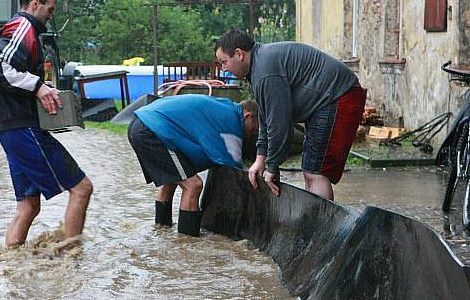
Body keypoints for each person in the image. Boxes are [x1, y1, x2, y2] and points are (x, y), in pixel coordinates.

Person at [0, 0, 93, 247]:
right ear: (35, 4)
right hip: (22, 129)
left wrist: (42, 89)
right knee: (82, 189)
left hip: (12, 130)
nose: (51, 15)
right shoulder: (23, 27)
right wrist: (39, 87)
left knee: (28, 207)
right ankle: (72, 263)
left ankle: (13, 266)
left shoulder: (27, 30)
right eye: (50, 9)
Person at [215, 28, 366, 201]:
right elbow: (266, 117)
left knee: (315, 172)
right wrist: (261, 158)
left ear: (239, 54)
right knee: (311, 170)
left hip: (339, 96)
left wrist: (272, 166)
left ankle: (320, 224)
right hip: (328, 100)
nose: (224, 69)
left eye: (224, 62)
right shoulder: (259, 67)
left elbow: (280, 124)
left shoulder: (265, 71)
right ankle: (315, 222)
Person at [128, 94, 259, 236]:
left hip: (140, 123)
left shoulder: (226, 107)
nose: (254, 133)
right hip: (152, 129)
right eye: (255, 128)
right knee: (193, 185)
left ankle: (161, 231)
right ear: (248, 116)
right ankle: (187, 245)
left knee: (171, 180)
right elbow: (231, 164)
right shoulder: (233, 119)